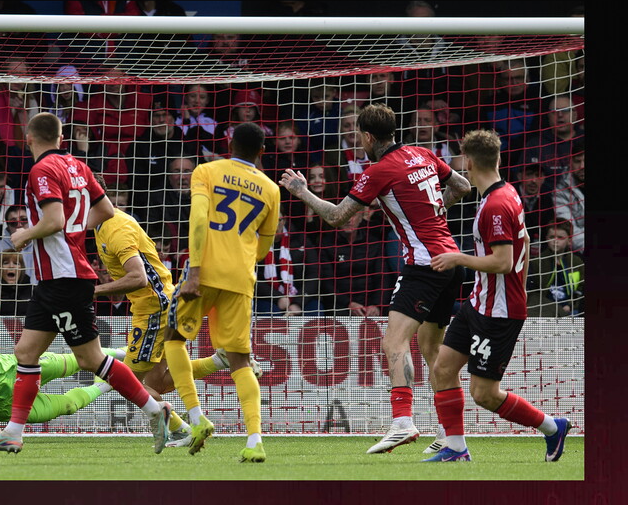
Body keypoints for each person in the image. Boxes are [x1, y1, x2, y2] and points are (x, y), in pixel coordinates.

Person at [0, 112, 170, 454]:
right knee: (26, 352)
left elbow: (54, 219)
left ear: (28, 138)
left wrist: (25, 235)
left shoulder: (41, 170)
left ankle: (156, 409)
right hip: (55, 279)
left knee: (92, 359)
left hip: (64, 277)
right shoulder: (78, 165)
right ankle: (13, 433)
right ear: (61, 139)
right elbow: (106, 210)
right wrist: (75, 230)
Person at [278, 103, 472, 454]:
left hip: (424, 265)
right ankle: (452, 438)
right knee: (432, 351)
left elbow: (337, 217)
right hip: (451, 260)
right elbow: (462, 185)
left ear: (367, 136)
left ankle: (402, 421)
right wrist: (434, 210)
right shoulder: (423, 153)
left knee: (393, 343)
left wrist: (302, 192)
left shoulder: (380, 170)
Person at [424, 129, 570, 462]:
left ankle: (552, 427)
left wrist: (458, 258)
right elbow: (528, 241)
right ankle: (456, 448)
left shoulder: (496, 205)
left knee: (484, 394)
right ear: (499, 159)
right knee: (443, 369)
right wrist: (521, 281)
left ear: (469, 162)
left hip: (499, 313)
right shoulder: (507, 193)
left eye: (461, 160)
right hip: (480, 302)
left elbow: (503, 262)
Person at [90, 173, 245, 446]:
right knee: (158, 383)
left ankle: (182, 427)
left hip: (153, 310)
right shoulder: (102, 224)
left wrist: (93, 291)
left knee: (126, 382)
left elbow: (138, 277)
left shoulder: (116, 229)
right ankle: (220, 361)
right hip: (156, 303)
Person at [165, 122, 281, 463]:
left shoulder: (207, 171)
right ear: (262, 152)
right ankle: (255, 440)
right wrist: (241, 256)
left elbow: (199, 219)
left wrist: (196, 270)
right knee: (241, 361)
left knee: (174, 339)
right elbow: (265, 244)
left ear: (229, 143)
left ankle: (197, 419)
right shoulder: (271, 189)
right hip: (241, 278)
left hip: (204, 271)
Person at [527, 220, 585, 317]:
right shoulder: (537, 262)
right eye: (552, 237)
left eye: (560, 237)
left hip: (571, 310)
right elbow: (534, 293)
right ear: (546, 239)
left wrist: (571, 306)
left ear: (569, 241)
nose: (555, 241)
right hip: (544, 310)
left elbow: (580, 289)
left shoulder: (576, 262)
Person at [0, 205, 35, 285]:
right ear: (8, 226)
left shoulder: (42, 246)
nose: (19, 224)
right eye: (13, 222)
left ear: (31, 221)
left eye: (24, 220)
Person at [0, 250, 33, 316]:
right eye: (5, 263)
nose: (11, 266)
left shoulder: (30, 290)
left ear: (21, 269)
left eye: (16, 263)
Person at [553, 147, 585, 254]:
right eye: (577, 161)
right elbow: (571, 233)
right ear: (570, 163)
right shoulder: (561, 191)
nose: (582, 166)